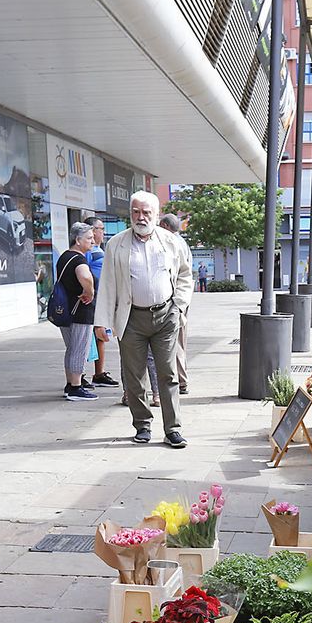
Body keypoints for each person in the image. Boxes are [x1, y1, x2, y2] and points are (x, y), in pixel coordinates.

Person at [95, 191, 194, 448]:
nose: (141, 217)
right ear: (130, 214)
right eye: (136, 212)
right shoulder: (116, 244)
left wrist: (179, 307)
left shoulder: (171, 242)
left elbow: (185, 275)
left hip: (165, 317)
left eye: (146, 212)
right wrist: (102, 321)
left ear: (156, 215)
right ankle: (142, 425)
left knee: (168, 374)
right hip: (130, 318)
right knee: (134, 375)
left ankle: (172, 429)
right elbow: (107, 284)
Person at [52, 222, 99, 401]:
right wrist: (90, 292)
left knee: (71, 348)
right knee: (80, 349)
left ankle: (70, 383)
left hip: (65, 310)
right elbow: (85, 276)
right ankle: (76, 387)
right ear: (78, 240)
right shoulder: (79, 259)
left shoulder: (65, 256)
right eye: (89, 238)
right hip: (80, 310)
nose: (92, 241)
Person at [158, 212, 191, 396]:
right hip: (180, 299)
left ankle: (181, 380)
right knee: (180, 340)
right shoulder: (181, 242)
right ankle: (181, 379)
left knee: (176, 340)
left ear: (164, 226)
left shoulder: (172, 243)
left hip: (174, 300)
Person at [83, 216, 118, 387]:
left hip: (101, 300)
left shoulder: (98, 250)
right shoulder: (87, 251)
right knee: (85, 339)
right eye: (101, 228)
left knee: (101, 337)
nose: (103, 232)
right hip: (91, 301)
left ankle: (99, 373)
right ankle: (79, 374)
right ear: (92, 230)